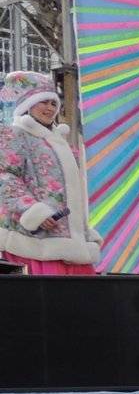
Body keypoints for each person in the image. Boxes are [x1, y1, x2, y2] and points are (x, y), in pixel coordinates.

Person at [0, 71, 101, 274]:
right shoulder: (15, 134)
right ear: (28, 104)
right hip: (33, 238)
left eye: (54, 103)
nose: (50, 108)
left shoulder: (59, 141)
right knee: (44, 291)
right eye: (43, 102)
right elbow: (6, 177)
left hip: (67, 239)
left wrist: (82, 229)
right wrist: (34, 212)